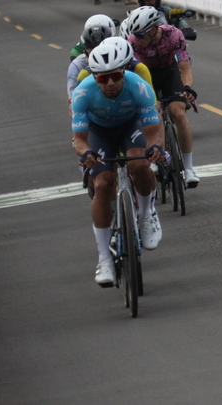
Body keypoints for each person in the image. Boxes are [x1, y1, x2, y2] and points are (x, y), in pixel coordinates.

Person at [72, 39, 163, 285]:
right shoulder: (82, 92)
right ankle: (104, 259)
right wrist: (86, 153)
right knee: (102, 185)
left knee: (140, 164)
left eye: (114, 76)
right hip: (99, 132)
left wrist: (155, 146)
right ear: (95, 77)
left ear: (123, 72)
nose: (110, 83)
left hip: (130, 126)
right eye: (102, 79)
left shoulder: (139, 87)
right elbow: (79, 139)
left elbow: (153, 131)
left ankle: (146, 214)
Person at [125, 6, 200, 187]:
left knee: (178, 113)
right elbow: (133, 74)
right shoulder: (132, 42)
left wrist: (188, 88)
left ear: (152, 30)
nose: (137, 39)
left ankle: (189, 168)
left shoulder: (174, 35)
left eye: (141, 35)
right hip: (146, 74)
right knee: (155, 112)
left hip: (169, 73)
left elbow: (184, 67)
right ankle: (160, 159)